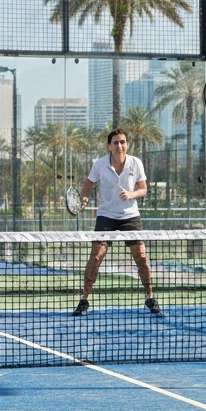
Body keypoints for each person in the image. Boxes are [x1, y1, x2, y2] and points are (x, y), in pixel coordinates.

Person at [73, 129, 159, 316]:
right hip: (106, 215)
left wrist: (131, 194)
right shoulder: (100, 164)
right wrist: (85, 197)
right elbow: (88, 184)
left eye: (122, 142)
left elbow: (143, 189)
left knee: (142, 257)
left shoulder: (136, 163)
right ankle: (84, 300)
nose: (119, 146)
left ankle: (150, 297)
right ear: (109, 145)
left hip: (130, 215)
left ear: (127, 144)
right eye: (115, 143)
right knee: (96, 256)